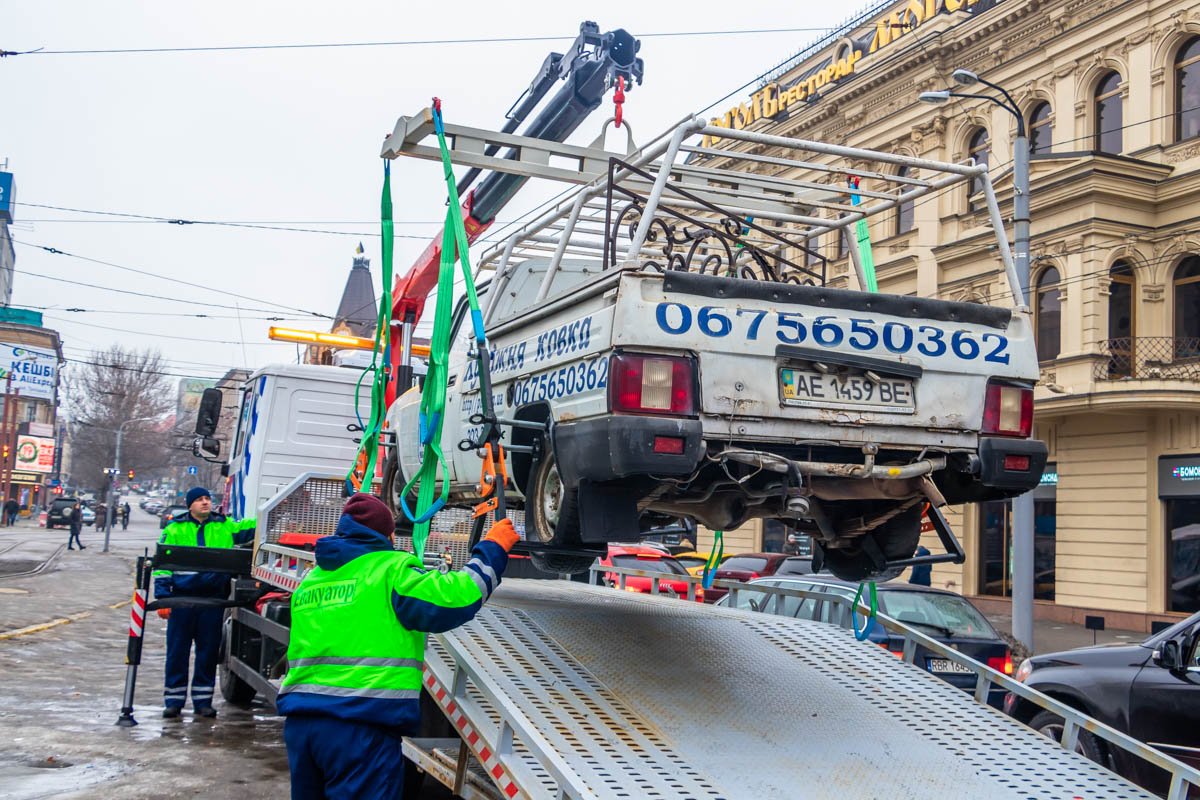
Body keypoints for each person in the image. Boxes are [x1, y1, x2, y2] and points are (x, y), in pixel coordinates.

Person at [277, 493, 518, 800]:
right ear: (387, 535)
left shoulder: (312, 580)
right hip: (359, 729)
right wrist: (493, 548)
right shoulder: (389, 570)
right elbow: (455, 598)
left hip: (302, 728)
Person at [153, 486, 256, 719]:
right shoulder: (175, 529)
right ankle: (173, 702)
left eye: (207, 498)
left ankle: (203, 702)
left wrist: (276, 508)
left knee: (208, 653)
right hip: (182, 601)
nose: (205, 502)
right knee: (177, 653)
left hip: (212, 601)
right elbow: (162, 567)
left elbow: (251, 527)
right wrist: (163, 599)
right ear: (190, 505)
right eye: (199, 499)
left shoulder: (224, 525)